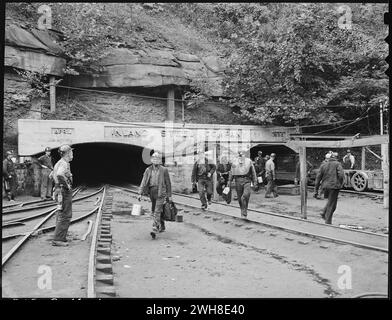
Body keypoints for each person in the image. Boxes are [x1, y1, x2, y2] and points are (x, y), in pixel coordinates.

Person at [138, 152, 172, 240]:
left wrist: (169, 195)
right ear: (151, 160)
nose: (156, 160)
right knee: (154, 210)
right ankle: (162, 224)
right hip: (152, 192)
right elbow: (143, 181)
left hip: (161, 192)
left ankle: (155, 228)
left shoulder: (164, 170)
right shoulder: (148, 170)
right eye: (154, 158)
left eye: (158, 159)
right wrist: (140, 193)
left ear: (160, 160)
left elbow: (168, 183)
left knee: (157, 211)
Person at [51, 145, 74, 246]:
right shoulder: (64, 163)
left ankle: (60, 237)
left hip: (59, 190)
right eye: (71, 152)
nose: (72, 154)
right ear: (67, 153)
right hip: (63, 191)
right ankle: (58, 239)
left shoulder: (59, 163)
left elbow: (51, 175)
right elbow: (60, 174)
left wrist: (56, 186)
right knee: (65, 215)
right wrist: (67, 186)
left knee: (61, 213)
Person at [315, 152, 345, 224]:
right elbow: (341, 175)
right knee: (332, 205)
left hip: (325, 186)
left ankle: (324, 213)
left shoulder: (323, 165)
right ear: (335, 158)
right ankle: (328, 221)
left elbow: (318, 178)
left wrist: (316, 190)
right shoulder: (337, 164)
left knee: (331, 203)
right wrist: (340, 183)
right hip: (334, 186)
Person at [228, 151, 257, 218]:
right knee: (239, 197)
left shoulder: (249, 161)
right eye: (240, 154)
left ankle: (244, 211)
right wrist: (229, 181)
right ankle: (243, 210)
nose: (241, 155)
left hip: (247, 180)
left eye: (242, 154)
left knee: (245, 196)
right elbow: (231, 172)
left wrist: (255, 182)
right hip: (238, 181)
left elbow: (253, 172)